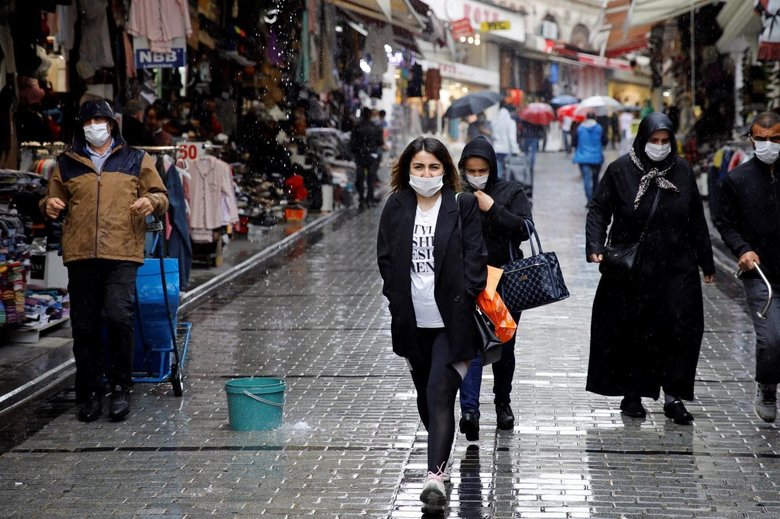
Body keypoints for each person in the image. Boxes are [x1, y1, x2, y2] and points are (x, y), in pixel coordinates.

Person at [40, 99, 169, 422]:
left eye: (101, 120)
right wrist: (49, 205)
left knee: (117, 316)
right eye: (89, 121)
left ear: (112, 125)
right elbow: (52, 199)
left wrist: (149, 201)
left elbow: (161, 196)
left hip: (122, 251)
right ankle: (89, 392)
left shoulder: (136, 158)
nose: (95, 126)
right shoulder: (67, 162)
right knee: (84, 325)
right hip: (81, 252)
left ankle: (121, 387)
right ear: (81, 126)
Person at [377, 136, 487, 513]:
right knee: (428, 401)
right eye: (419, 167)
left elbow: (476, 254)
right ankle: (442, 451)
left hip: (451, 322)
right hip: (412, 322)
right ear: (408, 170)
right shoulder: (396, 206)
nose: (426, 174)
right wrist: (395, 299)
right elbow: (386, 258)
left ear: (446, 169)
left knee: (441, 393)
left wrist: (468, 292)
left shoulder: (462, 204)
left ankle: (434, 478)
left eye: (434, 167)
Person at [585, 112, 715, 425]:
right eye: (653, 141)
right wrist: (595, 246)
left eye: (664, 141)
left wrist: (706, 262)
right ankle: (632, 393)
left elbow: (696, 219)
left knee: (679, 330)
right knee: (634, 330)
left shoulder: (682, 170)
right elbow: (599, 209)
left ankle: (674, 396)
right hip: (634, 268)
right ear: (643, 140)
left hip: (676, 264)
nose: (659, 146)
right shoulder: (620, 170)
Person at [456, 136, 532, 439]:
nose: (476, 176)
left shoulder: (510, 191)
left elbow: (525, 228)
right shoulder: (456, 193)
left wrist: (492, 208)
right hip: (469, 281)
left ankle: (503, 402)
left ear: (492, 167)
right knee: (470, 344)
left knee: (503, 345)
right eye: (470, 170)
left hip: (505, 281)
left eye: (482, 169)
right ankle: (470, 411)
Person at [716, 111, 780, 423]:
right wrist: (743, 250)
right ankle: (767, 386)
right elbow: (725, 223)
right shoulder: (737, 179)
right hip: (761, 274)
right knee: (771, 338)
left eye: (776, 139)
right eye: (763, 139)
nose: (769, 145)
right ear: (751, 139)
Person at [350, 109, 384, 208]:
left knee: (360, 177)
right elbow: (380, 142)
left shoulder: (357, 127)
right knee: (371, 178)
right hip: (372, 156)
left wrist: (356, 151)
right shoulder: (375, 127)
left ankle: (361, 199)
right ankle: (370, 198)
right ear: (370, 115)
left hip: (360, 156)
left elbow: (352, 143)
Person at [572, 112, 604, 205]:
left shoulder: (580, 128)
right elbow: (604, 140)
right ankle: (594, 199)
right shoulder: (599, 128)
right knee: (595, 178)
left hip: (583, 157)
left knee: (586, 179)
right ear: (595, 118)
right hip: (596, 157)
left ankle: (589, 199)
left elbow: (574, 142)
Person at [491, 103, 521, 180]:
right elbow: (512, 138)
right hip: (507, 150)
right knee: (507, 171)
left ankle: (498, 187)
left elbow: (493, 137)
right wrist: (515, 150)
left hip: (496, 149)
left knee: (499, 171)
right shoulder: (511, 122)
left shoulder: (494, 123)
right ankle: (505, 188)